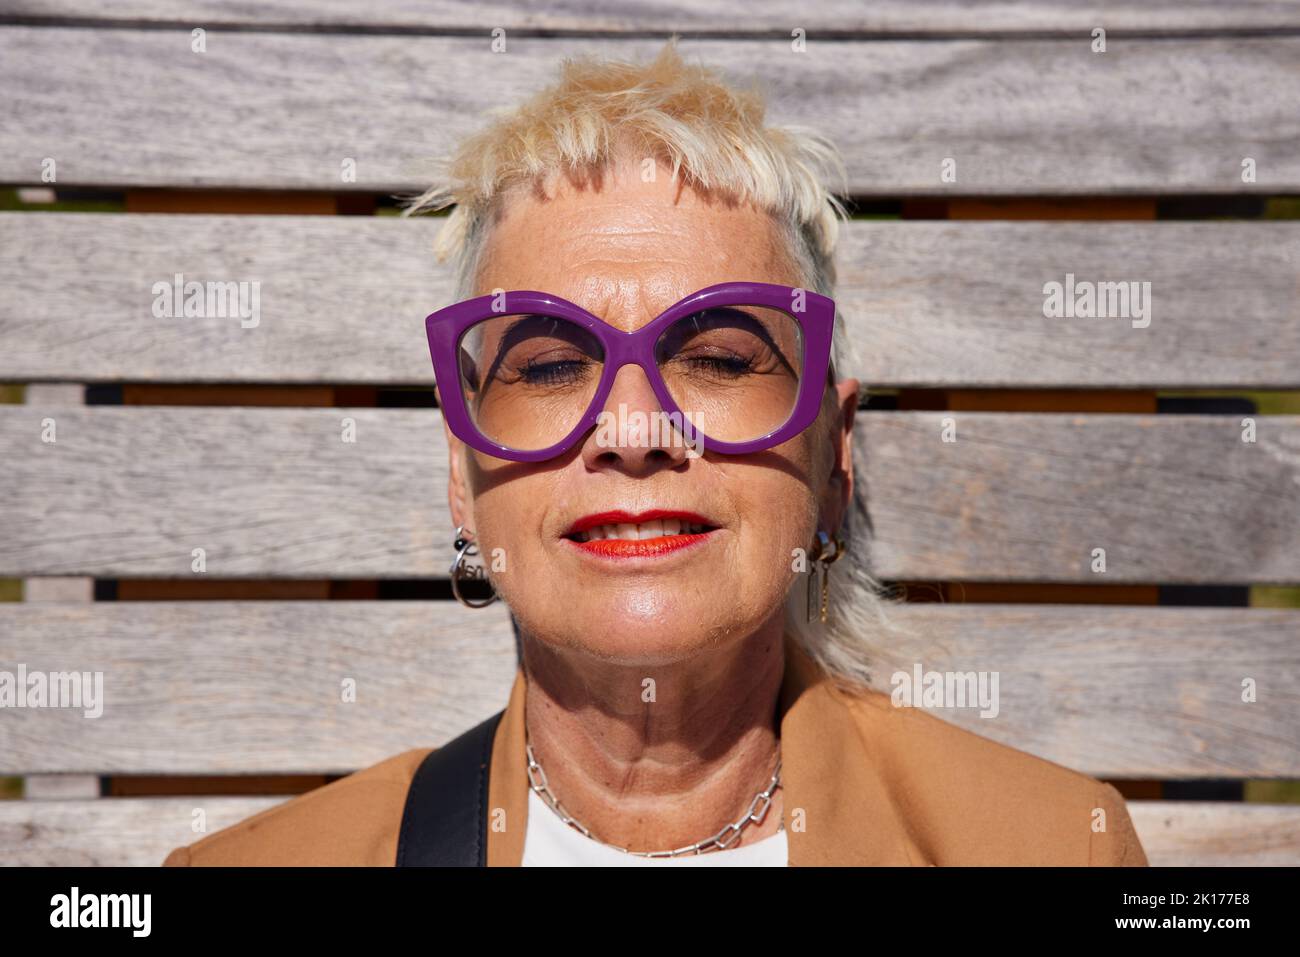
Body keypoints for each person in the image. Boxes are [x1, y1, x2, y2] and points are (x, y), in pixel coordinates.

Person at [163, 38, 1147, 867]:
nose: (632, 431)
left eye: (720, 356)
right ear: (459, 477)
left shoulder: (1055, 847)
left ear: (831, 453)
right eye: (548, 367)